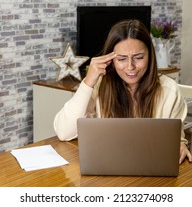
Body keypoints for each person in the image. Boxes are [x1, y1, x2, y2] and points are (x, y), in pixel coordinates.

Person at [54, 19, 192, 164]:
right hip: (109, 167)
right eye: (121, 59)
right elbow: (64, 132)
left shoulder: (169, 90)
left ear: (150, 56)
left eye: (138, 57)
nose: (130, 67)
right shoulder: (100, 84)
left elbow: (175, 137)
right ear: (111, 60)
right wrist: (88, 82)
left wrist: (180, 144)